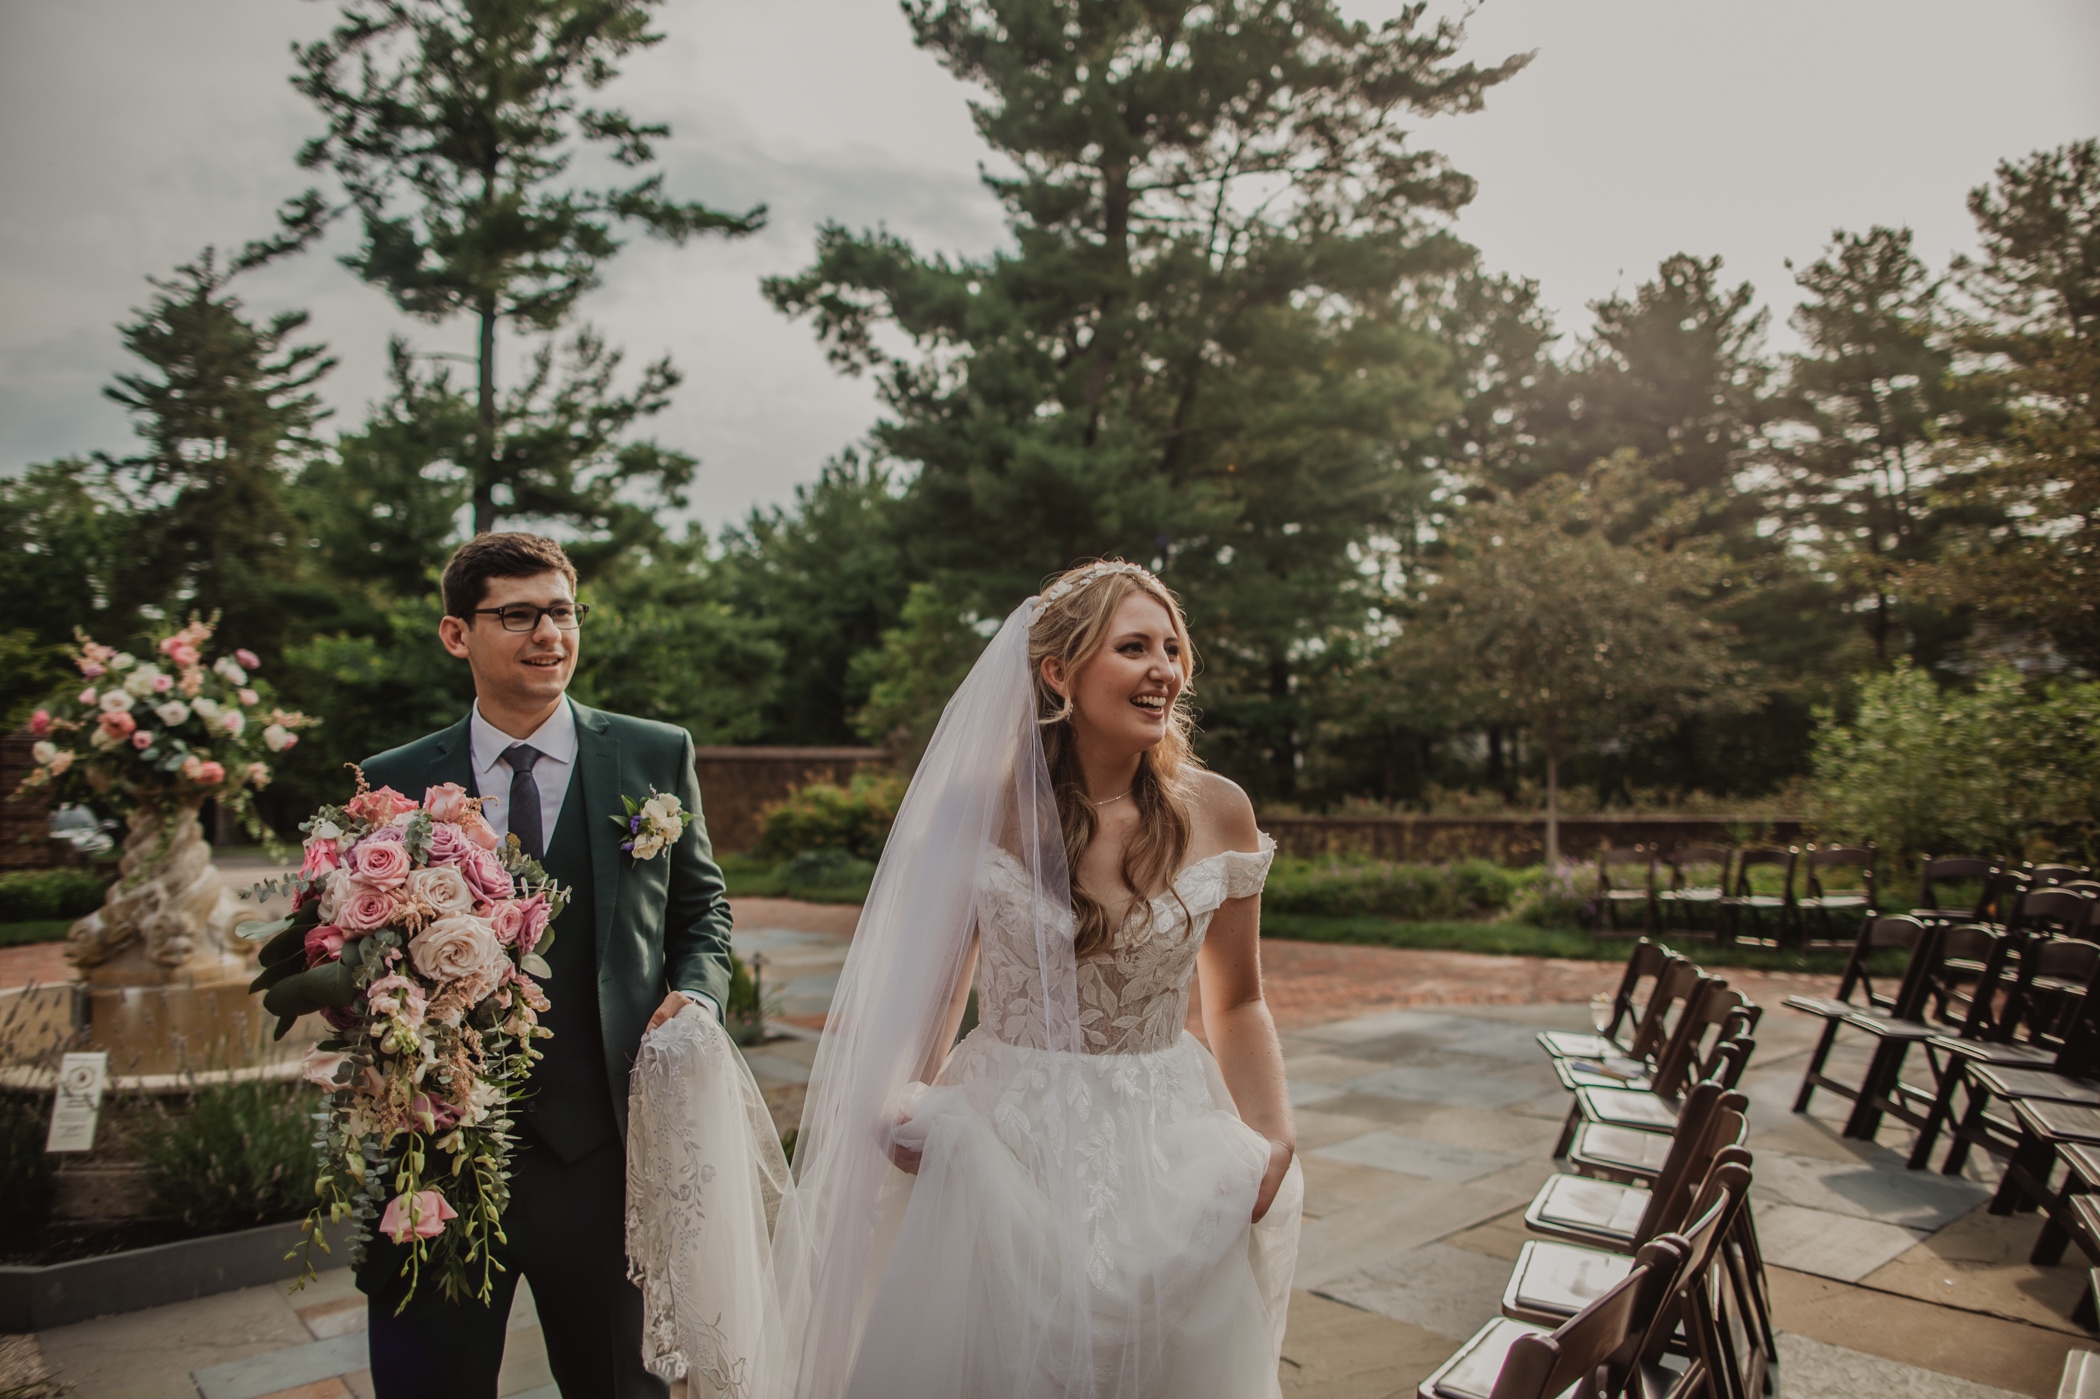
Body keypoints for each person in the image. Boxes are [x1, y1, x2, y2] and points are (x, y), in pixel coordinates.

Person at [762, 559, 1302, 1399]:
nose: (1164, 668)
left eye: (1171, 647)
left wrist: (1272, 1132)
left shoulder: (1219, 809)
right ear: (1059, 671)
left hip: (1170, 1142)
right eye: (1133, 646)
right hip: (1006, 1140)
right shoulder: (984, 807)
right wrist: (899, 1093)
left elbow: (1238, 997)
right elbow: (940, 986)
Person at [355, 532, 735, 1399]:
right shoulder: (394, 782)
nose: (547, 635)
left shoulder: (653, 754)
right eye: (516, 614)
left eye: (561, 612)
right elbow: (358, 954)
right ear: (458, 634)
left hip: (604, 1150)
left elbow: (701, 910)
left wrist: (701, 994)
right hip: (439, 1154)